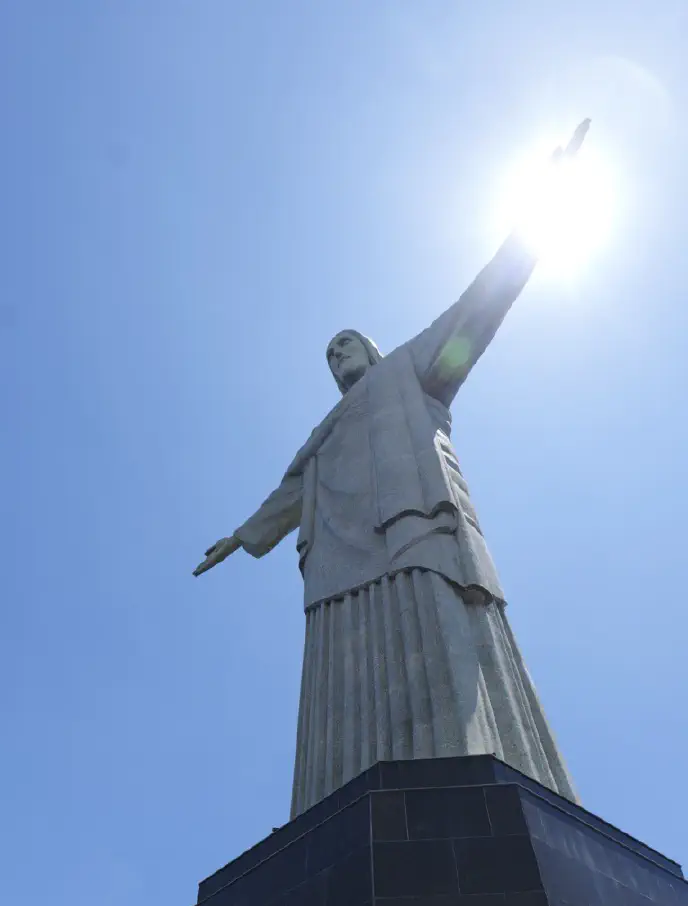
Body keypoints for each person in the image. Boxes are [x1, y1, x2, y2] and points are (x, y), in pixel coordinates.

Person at [194, 125, 589, 817]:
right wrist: (240, 538)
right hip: (337, 570)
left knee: (438, 643)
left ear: (372, 350)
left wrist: (540, 215)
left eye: (345, 343)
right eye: (327, 353)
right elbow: (285, 497)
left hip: (413, 531)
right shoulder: (322, 437)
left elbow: (480, 304)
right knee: (342, 688)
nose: (336, 353)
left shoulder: (412, 369)